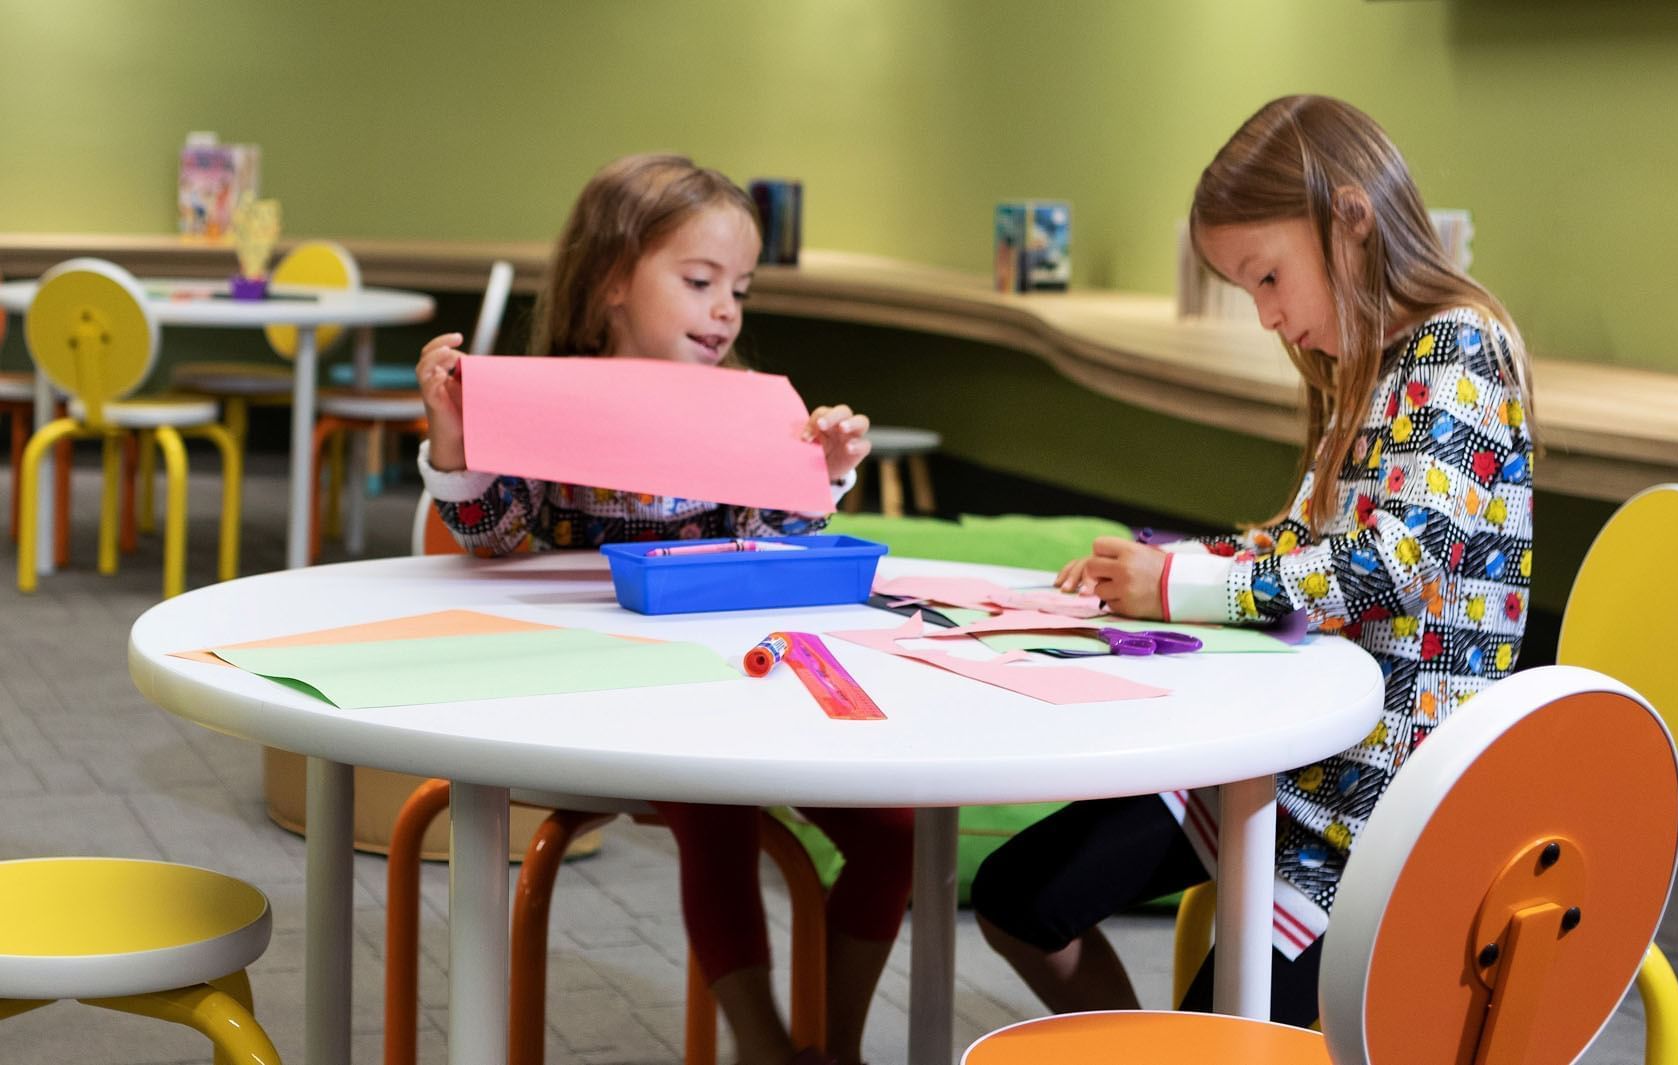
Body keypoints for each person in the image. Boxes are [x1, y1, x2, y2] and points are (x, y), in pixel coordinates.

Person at [970, 94, 1536, 1025]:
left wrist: (1187, 583)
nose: (1269, 318)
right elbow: (1305, 537)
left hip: (1373, 805)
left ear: (1350, 219)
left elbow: (1392, 560)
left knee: (1214, 1028)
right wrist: (1165, 565)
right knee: (1016, 898)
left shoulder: (1461, 345)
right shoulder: (1372, 364)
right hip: (1294, 757)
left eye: (1267, 278)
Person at [414, 153, 910, 1065]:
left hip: (733, 681)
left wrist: (825, 467)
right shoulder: (546, 398)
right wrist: (455, 439)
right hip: (599, 695)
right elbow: (488, 533)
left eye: (741, 289)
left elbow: (782, 538)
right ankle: (761, 1043)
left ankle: (832, 1048)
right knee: (714, 798)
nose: (727, 309)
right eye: (699, 281)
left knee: (894, 827)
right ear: (611, 282)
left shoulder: (744, 408)